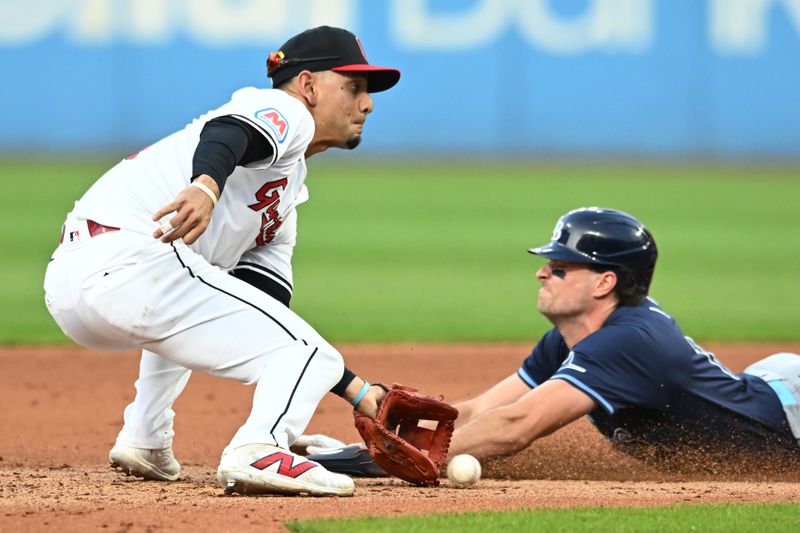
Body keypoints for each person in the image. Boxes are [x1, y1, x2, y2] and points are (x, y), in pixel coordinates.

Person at [43, 26, 400, 497]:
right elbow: (226, 134)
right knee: (312, 353)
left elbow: (261, 310)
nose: (367, 103)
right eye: (353, 88)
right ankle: (260, 449)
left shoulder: (282, 197)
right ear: (309, 86)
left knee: (208, 297)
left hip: (80, 282)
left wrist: (359, 393)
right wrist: (206, 185)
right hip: (130, 263)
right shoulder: (286, 111)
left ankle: (145, 438)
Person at [307, 207, 800, 477]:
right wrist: (364, 447)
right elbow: (483, 411)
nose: (542, 271)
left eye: (561, 267)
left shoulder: (626, 342)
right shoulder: (568, 338)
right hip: (765, 387)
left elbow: (517, 426)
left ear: (605, 283)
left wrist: (370, 462)